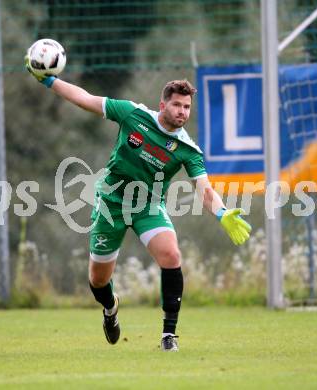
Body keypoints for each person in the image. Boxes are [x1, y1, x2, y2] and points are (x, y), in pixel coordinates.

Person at [25, 58, 252, 352]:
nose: (182, 112)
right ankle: (110, 308)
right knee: (97, 280)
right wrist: (50, 81)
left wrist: (222, 213)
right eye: (177, 105)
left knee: (171, 254)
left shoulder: (188, 150)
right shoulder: (132, 114)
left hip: (147, 206)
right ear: (163, 104)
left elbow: (205, 190)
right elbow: (86, 100)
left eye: (187, 107)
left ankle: (169, 335)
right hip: (111, 203)